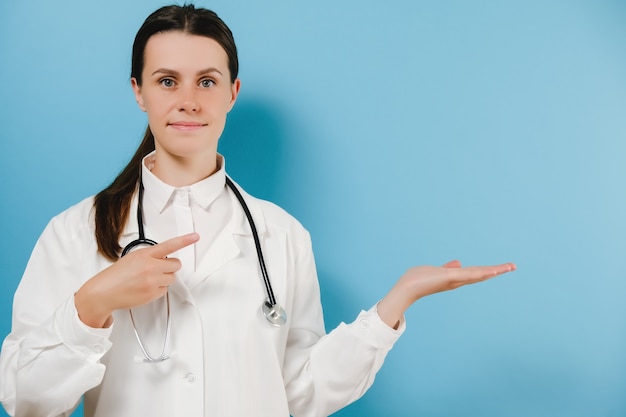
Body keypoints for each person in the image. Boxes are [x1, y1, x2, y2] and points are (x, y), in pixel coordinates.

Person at [0, 4, 516, 417]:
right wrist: (92, 304)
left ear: (232, 93)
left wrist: (395, 304)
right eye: (165, 81)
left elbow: (300, 395)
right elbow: (27, 402)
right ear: (138, 92)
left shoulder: (282, 235)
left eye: (206, 81)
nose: (188, 100)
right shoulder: (75, 233)